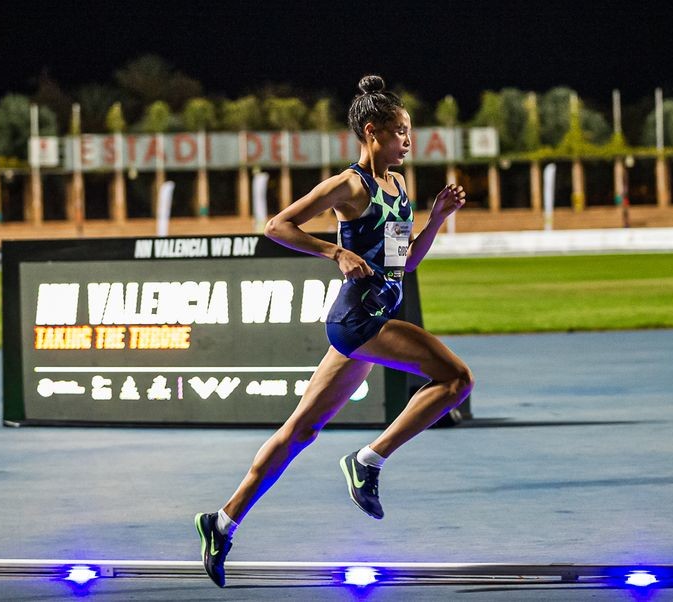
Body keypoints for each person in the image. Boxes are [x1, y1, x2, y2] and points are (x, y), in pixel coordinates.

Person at [194, 75, 472, 587]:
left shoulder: (398, 187)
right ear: (372, 132)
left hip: (370, 320)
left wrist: (437, 219)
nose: (408, 141)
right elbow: (277, 225)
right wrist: (335, 252)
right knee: (456, 379)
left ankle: (222, 521)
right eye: (400, 132)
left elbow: (405, 263)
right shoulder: (349, 185)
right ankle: (368, 461)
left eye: (409, 131)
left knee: (300, 430)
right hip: (358, 319)